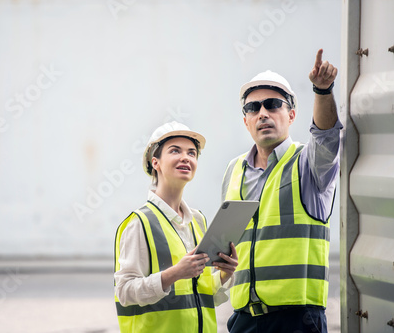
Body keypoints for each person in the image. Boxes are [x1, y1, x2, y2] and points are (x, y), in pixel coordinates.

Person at [221, 49, 341, 333]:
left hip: (297, 320)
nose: (262, 113)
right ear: (245, 121)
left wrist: (322, 91)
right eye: (253, 108)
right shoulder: (233, 170)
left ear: (291, 115)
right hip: (244, 318)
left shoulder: (309, 164)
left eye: (273, 105)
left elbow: (327, 136)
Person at [114, 121, 239, 333]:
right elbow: (125, 292)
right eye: (175, 151)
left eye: (192, 153)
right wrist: (174, 273)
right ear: (156, 163)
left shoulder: (197, 221)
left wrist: (225, 274)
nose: (186, 157)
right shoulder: (139, 223)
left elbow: (198, 292)